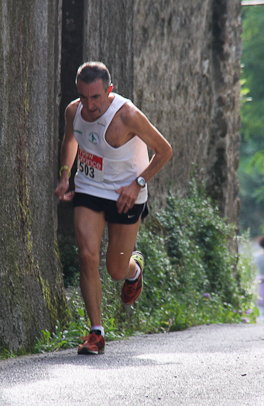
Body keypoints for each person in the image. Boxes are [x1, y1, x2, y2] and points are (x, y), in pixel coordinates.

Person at [54, 62, 172, 355]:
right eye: (83, 97)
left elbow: (164, 150)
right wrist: (65, 175)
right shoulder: (73, 111)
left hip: (125, 194)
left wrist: (138, 184)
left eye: (96, 97)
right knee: (86, 255)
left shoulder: (127, 115)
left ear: (109, 90)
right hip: (90, 189)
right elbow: (70, 140)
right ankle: (96, 333)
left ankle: (134, 269)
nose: (89, 105)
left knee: (116, 270)